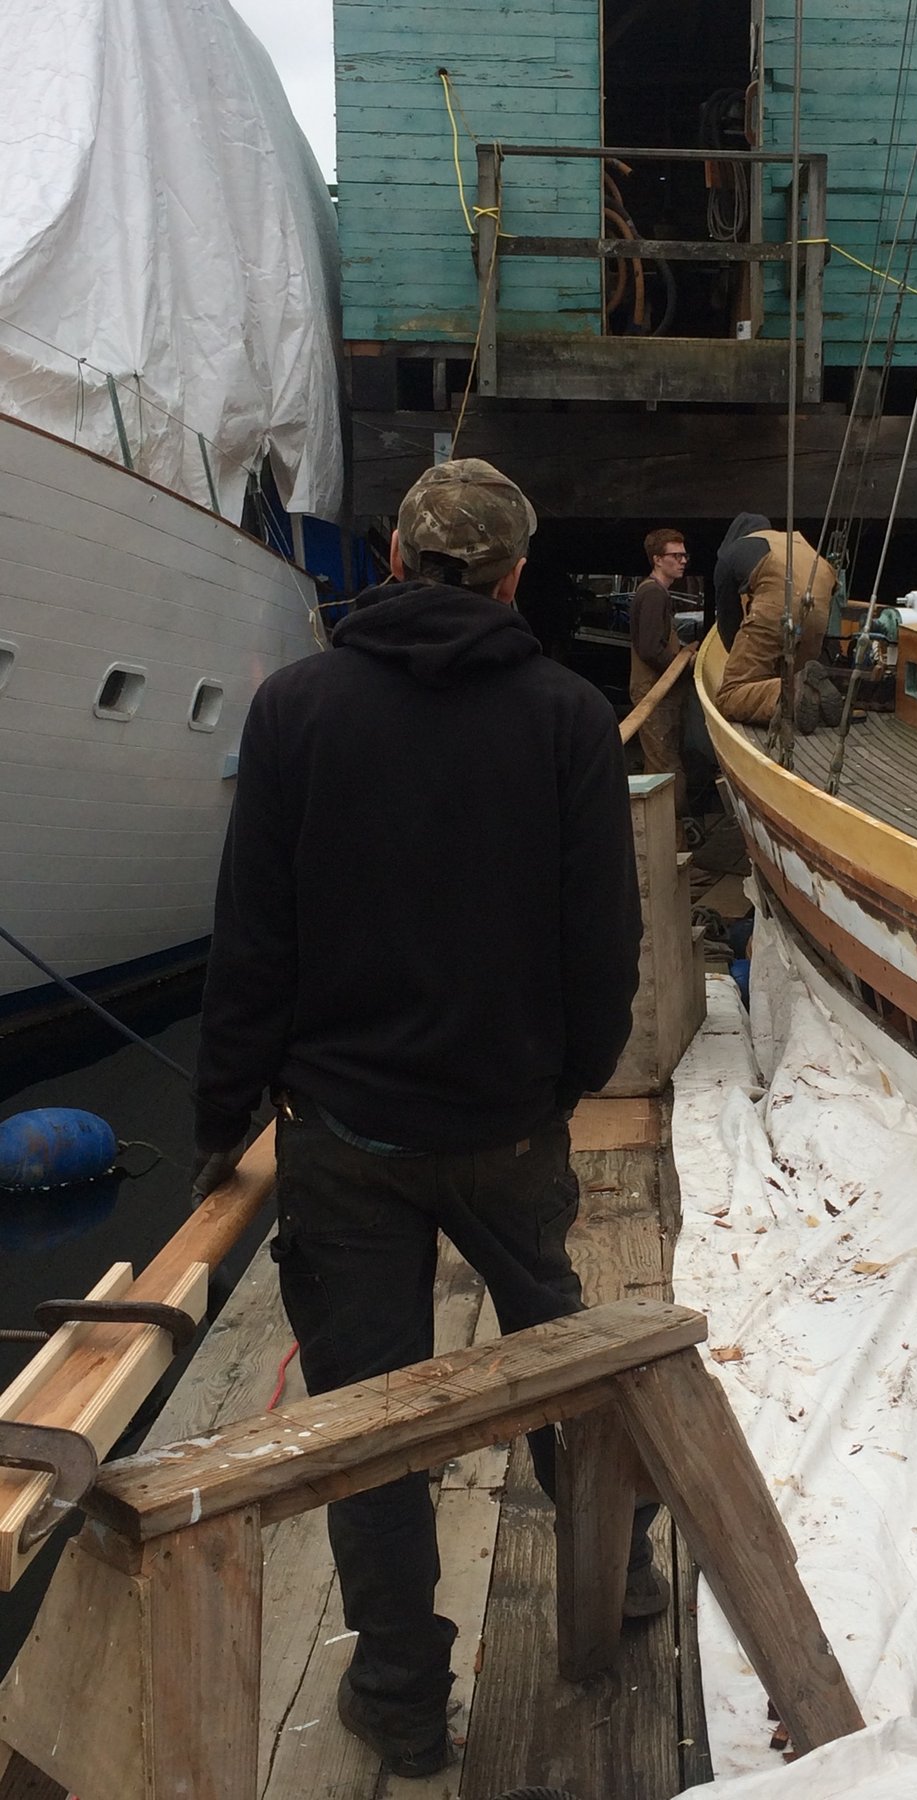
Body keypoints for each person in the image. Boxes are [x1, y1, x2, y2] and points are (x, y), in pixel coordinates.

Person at [190, 459, 647, 1780]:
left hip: (346, 1142)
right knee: (556, 1346)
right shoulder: (567, 718)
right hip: (508, 1125)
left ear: (388, 560)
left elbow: (253, 943)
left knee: (371, 1418)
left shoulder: (294, 713)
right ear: (514, 577)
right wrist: (564, 1078)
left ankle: (397, 1697)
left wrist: (224, 1113)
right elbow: (599, 939)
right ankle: (614, 1586)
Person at [713, 512, 841, 731]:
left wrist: (736, 654)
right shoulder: (796, 542)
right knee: (797, 674)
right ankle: (813, 694)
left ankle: (791, 692)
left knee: (730, 694)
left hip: (777, 608)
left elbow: (728, 616)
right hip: (818, 611)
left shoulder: (733, 552)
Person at [628, 526, 690, 816]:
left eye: (683, 555)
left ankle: (666, 841)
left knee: (661, 763)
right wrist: (682, 665)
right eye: (675, 555)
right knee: (665, 767)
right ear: (657, 559)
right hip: (655, 691)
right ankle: (671, 843)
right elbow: (650, 648)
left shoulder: (654, 593)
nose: (682, 560)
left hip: (658, 690)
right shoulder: (654, 594)